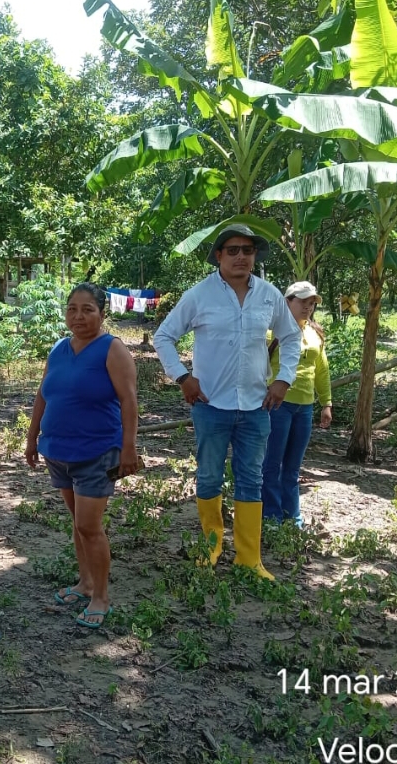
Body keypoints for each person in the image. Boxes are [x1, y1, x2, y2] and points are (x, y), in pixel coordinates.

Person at [153, 223, 301, 579]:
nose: (241, 257)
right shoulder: (199, 295)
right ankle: (211, 549)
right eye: (232, 250)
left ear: (254, 256)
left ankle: (249, 558)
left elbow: (291, 337)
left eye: (247, 250)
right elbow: (164, 336)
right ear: (218, 256)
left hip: (256, 407)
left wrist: (283, 379)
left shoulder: (268, 295)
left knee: (251, 479)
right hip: (210, 406)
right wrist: (183, 377)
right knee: (209, 477)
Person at [25, 283, 139, 629]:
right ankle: (85, 583)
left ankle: (100, 597)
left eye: (87, 309)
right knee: (78, 523)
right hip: (58, 451)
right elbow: (43, 395)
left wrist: (129, 448)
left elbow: (129, 400)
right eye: (72, 309)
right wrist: (31, 437)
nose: (78, 316)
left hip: (97, 452)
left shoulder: (112, 349)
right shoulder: (59, 349)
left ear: (102, 314)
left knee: (89, 526)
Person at [262, 281, 332, 527]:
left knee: (292, 467)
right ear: (287, 301)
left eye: (312, 303)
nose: (308, 307)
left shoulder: (315, 334)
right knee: (271, 464)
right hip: (277, 407)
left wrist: (326, 403)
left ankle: (293, 518)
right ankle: (271, 517)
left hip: (304, 408)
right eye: (303, 301)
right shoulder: (271, 333)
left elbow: (321, 370)